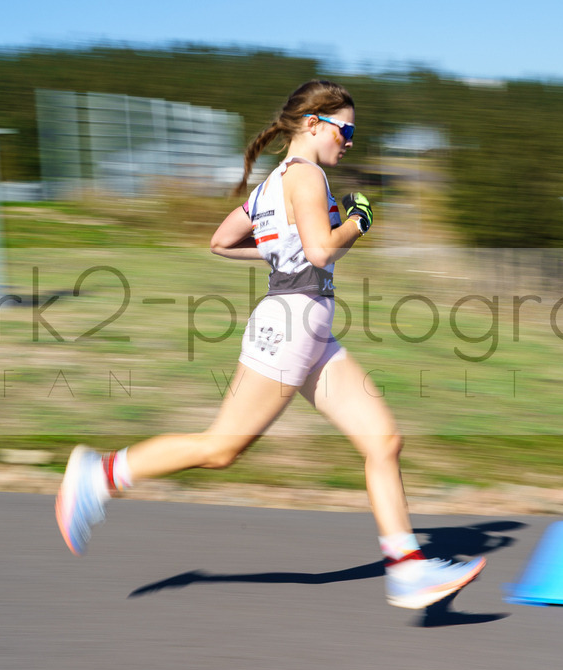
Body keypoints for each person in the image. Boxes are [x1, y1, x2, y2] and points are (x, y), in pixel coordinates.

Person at [55, 80, 485, 609]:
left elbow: (222, 243)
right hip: (291, 325)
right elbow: (322, 252)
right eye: (345, 130)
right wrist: (358, 221)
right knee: (220, 449)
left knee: (383, 441)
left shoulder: (271, 184)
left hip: (309, 328)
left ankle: (407, 570)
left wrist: (290, 246)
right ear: (313, 124)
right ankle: (98, 476)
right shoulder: (307, 175)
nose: (350, 141)